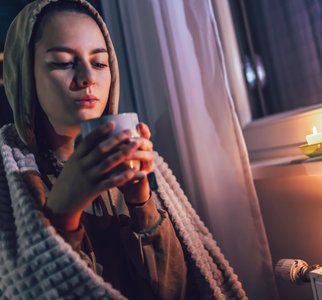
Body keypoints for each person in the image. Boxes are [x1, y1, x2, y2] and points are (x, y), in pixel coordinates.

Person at [0, 0, 249, 299]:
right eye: (64, 62)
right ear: (25, 77)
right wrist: (63, 214)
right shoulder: (9, 179)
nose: (87, 78)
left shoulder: (137, 160)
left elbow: (178, 292)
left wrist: (141, 201)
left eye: (100, 63)